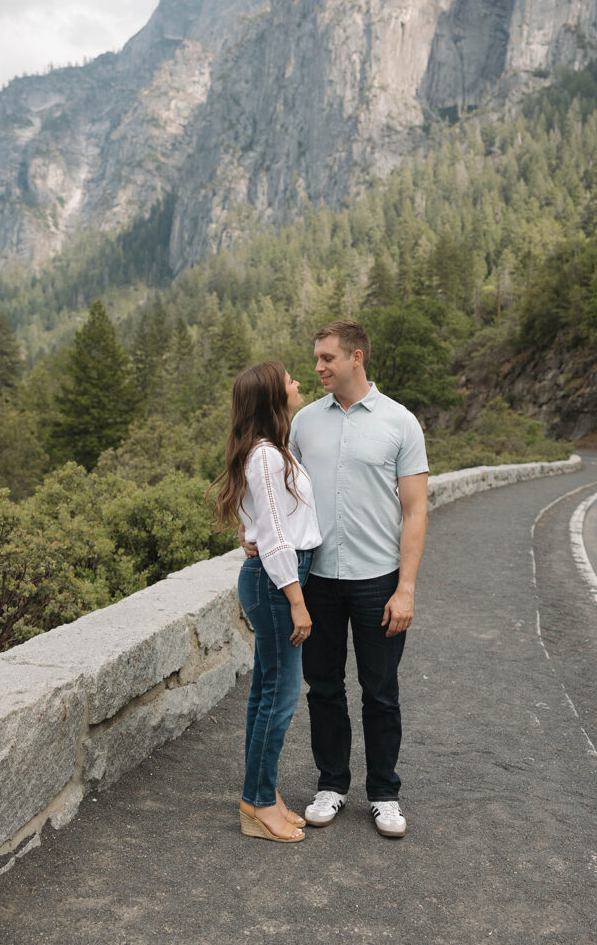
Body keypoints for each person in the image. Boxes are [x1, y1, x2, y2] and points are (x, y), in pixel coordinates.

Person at [243, 321, 429, 837]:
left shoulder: (400, 423)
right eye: (317, 358)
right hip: (317, 580)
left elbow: (415, 512)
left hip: (378, 580)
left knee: (381, 690)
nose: (319, 367)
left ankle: (385, 793)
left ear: (357, 357)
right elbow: (270, 485)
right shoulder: (302, 423)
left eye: (327, 358)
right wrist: (250, 529)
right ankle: (332, 784)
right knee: (322, 688)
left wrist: (406, 588)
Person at [214, 360, 321, 843]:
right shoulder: (267, 457)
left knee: (265, 693)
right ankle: (258, 805)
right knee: (279, 697)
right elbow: (276, 537)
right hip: (279, 582)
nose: (298, 382)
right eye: (290, 380)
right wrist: (297, 601)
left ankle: (262, 793)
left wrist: (247, 529)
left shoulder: (266, 451)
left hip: (274, 578)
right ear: (273, 398)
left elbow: (258, 519)